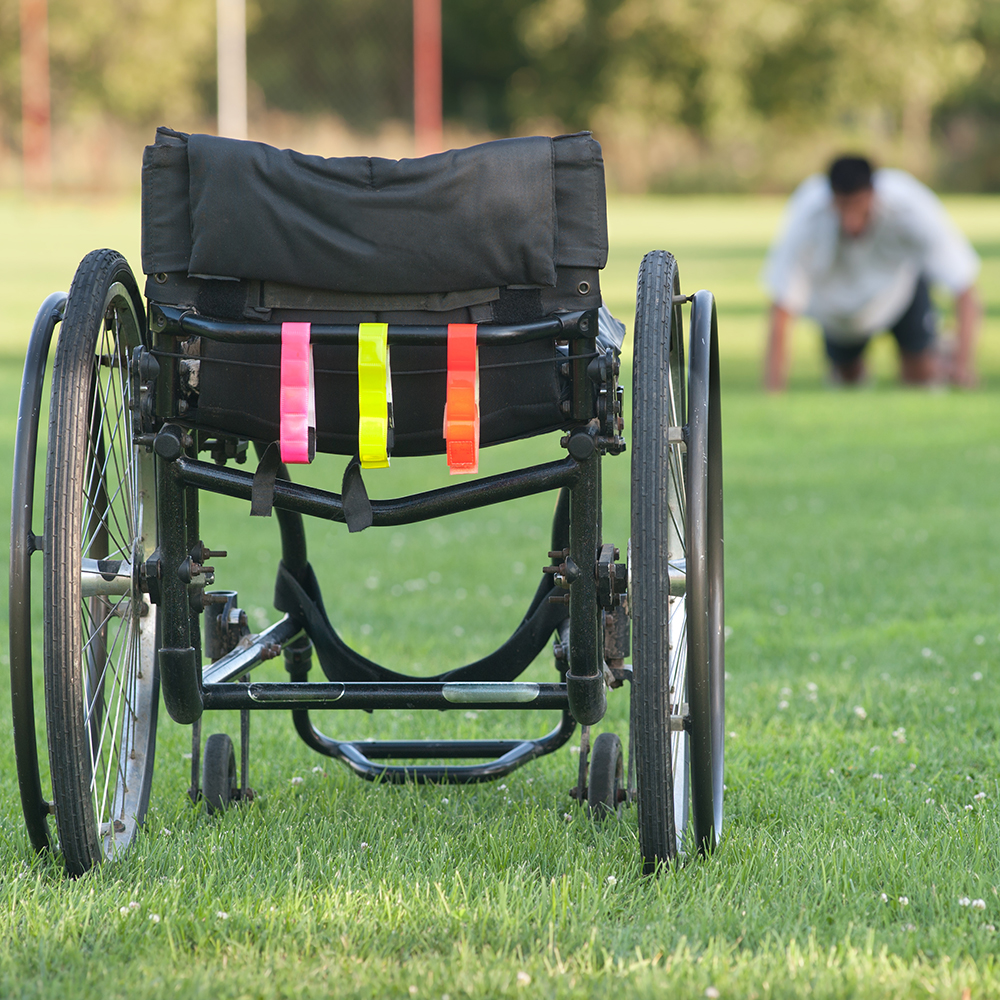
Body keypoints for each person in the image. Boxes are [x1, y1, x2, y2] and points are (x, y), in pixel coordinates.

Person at [762, 155, 981, 391]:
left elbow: (964, 287)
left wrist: (963, 365)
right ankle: (848, 367)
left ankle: (939, 356)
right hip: (841, 312)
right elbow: (782, 304)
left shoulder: (909, 205)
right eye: (843, 207)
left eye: (858, 206)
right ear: (831, 199)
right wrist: (773, 389)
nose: (851, 221)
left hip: (901, 292)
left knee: (920, 378)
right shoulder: (808, 213)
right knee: (848, 384)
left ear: (873, 194)